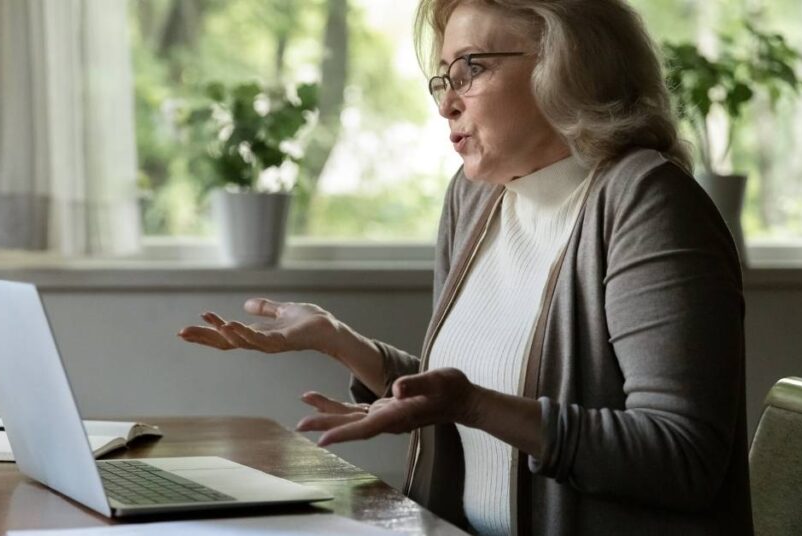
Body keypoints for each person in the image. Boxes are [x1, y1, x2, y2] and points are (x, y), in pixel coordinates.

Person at [179, 0, 753, 534]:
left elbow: (682, 458)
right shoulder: (475, 199)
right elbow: (458, 390)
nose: (446, 102)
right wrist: (340, 341)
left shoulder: (648, 202)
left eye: (471, 69)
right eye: (444, 77)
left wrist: (471, 404)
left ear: (569, 62)